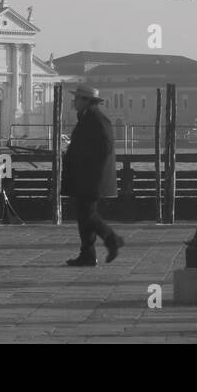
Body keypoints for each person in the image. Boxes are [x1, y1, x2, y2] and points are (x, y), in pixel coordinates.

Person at [60, 84, 124, 266]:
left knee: (88, 215)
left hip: (91, 178)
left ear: (86, 101)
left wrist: (88, 163)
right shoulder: (88, 117)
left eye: (77, 98)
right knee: (84, 216)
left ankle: (112, 239)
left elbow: (105, 147)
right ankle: (88, 254)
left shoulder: (96, 118)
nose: (74, 102)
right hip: (84, 176)